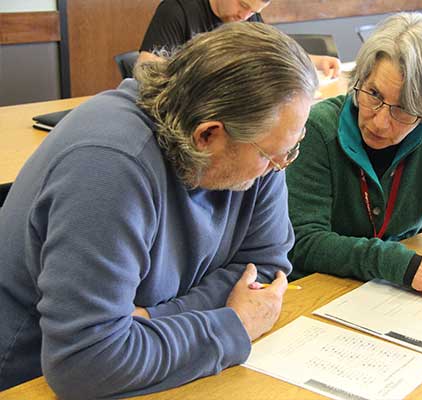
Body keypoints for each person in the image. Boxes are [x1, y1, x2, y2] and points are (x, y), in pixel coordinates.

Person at [0, 22, 317, 398]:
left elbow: (264, 269)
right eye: (270, 155)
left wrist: (152, 320)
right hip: (28, 378)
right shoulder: (110, 165)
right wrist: (234, 325)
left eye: (289, 149)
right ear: (208, 135)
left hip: (149, 359)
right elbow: (86, 362)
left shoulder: (261, 141)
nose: (280, 165)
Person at [285, 12, 422, 313]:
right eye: (373, 94)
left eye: (404, 110)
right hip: (320, 291)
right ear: (360, 77)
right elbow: (305, 243)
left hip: (393, 298)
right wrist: (400, 264)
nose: (379, 121)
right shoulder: (317, 131)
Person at [139, 0, 341, 77]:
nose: (245, 16)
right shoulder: (176, 10)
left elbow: (273, 51)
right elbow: (147, 70)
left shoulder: (249, 16)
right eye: (243, 5)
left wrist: (316, 61)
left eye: (254, 10)